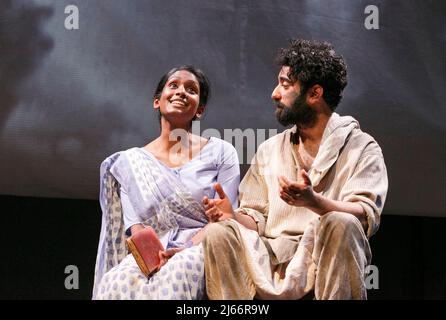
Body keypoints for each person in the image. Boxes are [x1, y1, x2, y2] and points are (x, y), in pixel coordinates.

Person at [202, 39, 388, 300]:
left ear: (314, 94)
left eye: (285, 84)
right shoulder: (269, 149)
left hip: (323, 253)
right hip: (270, 257)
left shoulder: (361, 147)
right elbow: (255, 219)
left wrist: (314, 201)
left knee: (342, 222)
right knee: (219, 232)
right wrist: (231, 214)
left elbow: (365, 215)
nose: (275, 93)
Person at [92, 65, 240, 299]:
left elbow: (226, 218)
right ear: (157, 101)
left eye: (191, 89)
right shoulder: (130, 163)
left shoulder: (221, 152)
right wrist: (153, 259)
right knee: (115, 280)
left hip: (202, 246)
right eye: (174, 85)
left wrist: (186, 249)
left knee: (178, 271)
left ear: (199, 110)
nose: (181, 91)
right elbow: (137, 228)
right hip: (152, 253)